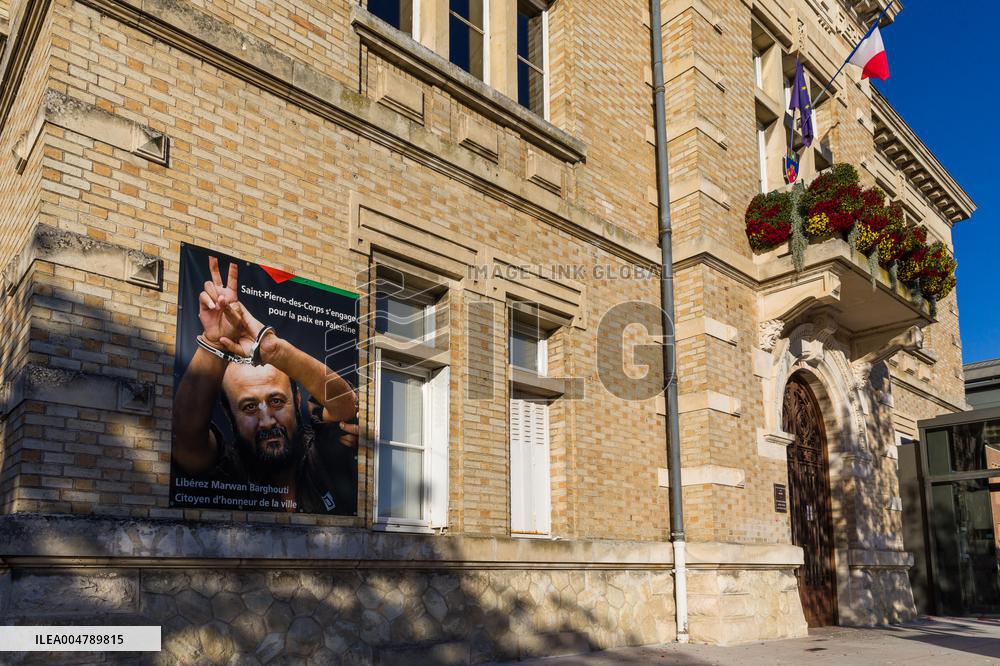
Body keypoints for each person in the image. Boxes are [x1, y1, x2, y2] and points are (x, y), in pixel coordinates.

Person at [172, 256, 359, 514]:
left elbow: (345, 404)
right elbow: (185, 436)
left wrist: (275, 350)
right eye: (249, 407)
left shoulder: (320, 453)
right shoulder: (227, 467)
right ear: (228, 413)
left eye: (276, 401)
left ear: (297, 399)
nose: (267, 420)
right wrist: (214, 343)